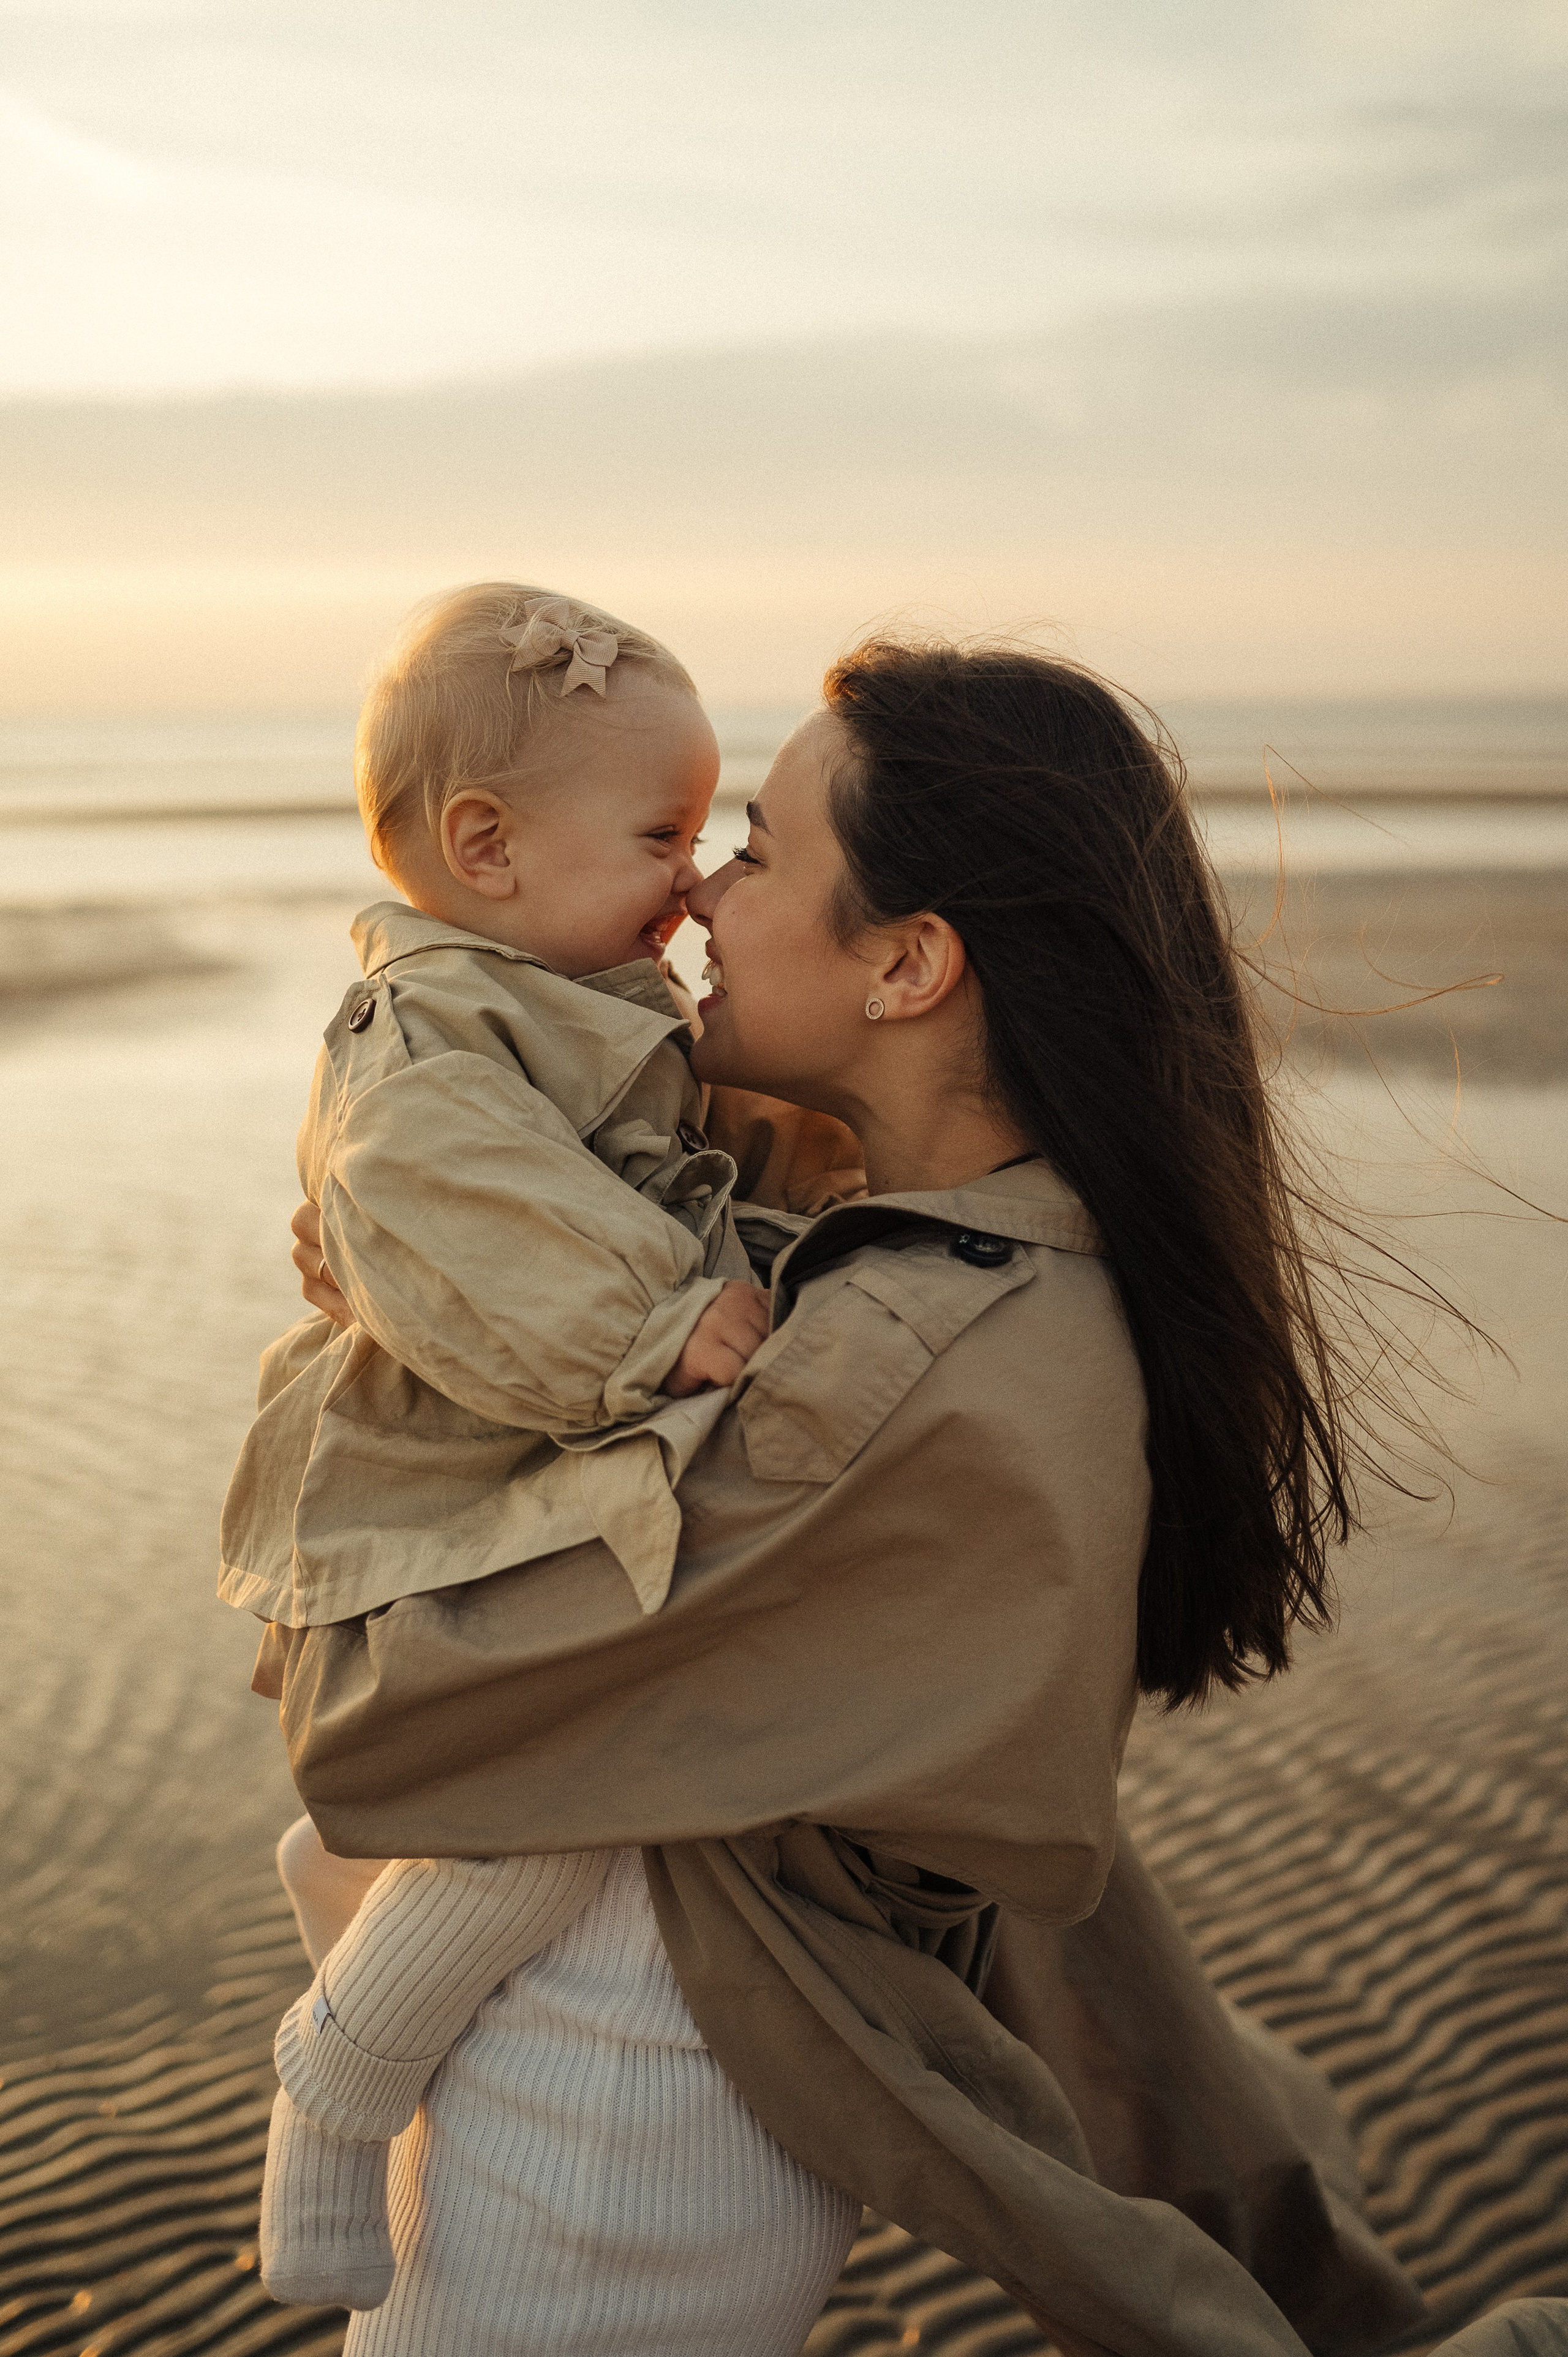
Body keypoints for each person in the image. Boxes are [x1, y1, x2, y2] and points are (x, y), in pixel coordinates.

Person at [266, 638, 1568, 2357]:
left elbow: (376, 1718)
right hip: (617, 2071)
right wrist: (456, 1274)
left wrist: (385, 1352)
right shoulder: (972, 1255)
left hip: (609, 2118)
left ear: (908, 963)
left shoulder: (891, 1364)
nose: (706, 895)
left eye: (758, 847)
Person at [223, 580, 864, 2328]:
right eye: (663, 831)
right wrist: (654, 1331)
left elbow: (694, 1180)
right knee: (555, 1782)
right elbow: (462, 1205)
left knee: (543, 1774)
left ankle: (349, 1916)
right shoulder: (430, 1027)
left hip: (509, 1461)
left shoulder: (572, 995)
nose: (695, 876)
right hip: (441, 1484)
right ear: (487, 844)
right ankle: (341, 2072)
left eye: (713, 829)